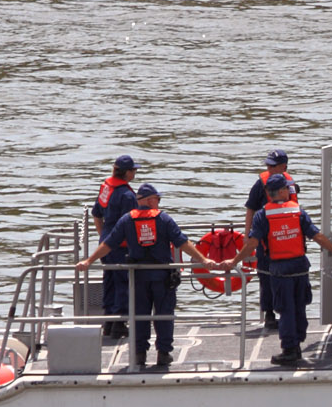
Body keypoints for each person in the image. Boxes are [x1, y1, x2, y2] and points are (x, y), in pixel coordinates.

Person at [74, 184, 226, 370]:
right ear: (149, 200)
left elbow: (108, 244)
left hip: (137, 277)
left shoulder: (127, 220)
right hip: (163, 277)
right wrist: (203, 260)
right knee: (164, 315)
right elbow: (182, 242)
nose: (158, 202)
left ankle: (140, 354)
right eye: (157, 199)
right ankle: (163, 353)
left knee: (139, 316)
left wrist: (89, 261)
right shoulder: (163, 219)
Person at [250, 174, 332, 366]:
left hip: (280, 270)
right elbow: (317, 236)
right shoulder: (298, 211)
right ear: (281, 191)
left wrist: (234, 261)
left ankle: (290, 349)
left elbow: (253, 242)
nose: (290, 191)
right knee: (299, 307)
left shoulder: (262, 215)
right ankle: (297, 343)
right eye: (287, 188)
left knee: (285, 310)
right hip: (300, 268)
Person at [242, 149, 297, 328]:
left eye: (272, 166)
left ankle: (288, 311)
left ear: (283, 167)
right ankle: (269, 314)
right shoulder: (260, 185)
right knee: (266, 277)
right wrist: (247, 234)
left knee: (288, 277)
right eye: (267, 165)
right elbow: (250, 208)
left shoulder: (290, 184)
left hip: (287, 238)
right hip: (266, 241)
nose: (269, 168)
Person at [90, 155, 139, 339]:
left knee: (109, 281)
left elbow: (96, 214)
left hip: (105, 243)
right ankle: (119, 323)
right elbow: (129, 224)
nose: (135, 173)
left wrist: (104, 238)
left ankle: (109, 322)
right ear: (127, 172)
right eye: (133, 170)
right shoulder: (127, 196)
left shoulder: (106, 188)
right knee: (123, 283)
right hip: (120, 246)